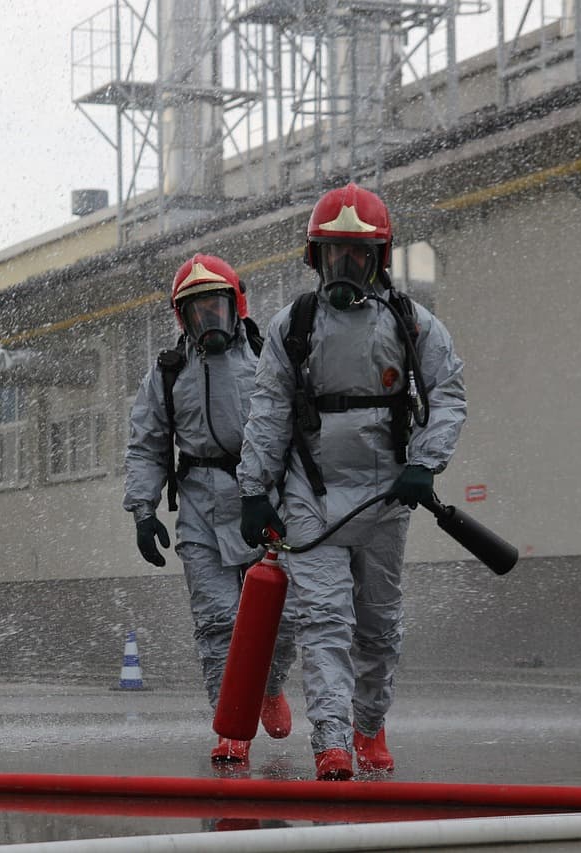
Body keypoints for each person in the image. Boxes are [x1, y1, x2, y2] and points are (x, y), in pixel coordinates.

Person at [237, 183, 466, 781]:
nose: (345, 267)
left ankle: (369, 727)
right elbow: (268, 411)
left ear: (378, 259)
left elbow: (448, 396)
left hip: (387, 498)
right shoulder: (294, 327)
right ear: (316, 259)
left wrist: (425, 462)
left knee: (379, 627)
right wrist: (255, 490)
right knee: (325, 622)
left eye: (356, 255)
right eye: (333, 254)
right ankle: (332, 743)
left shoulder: (413, 324)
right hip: (311, 500)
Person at [124, 252, 298, 766]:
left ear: (235, 304)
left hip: (264, 503)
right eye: (196, 312)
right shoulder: (168, 373)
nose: (208, 321)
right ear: (183, 317)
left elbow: (295, 432)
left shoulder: (269, 358)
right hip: (200, 507)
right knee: (217, 622)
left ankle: (269, 685)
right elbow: (146, 444)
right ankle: (231, 725)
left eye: (215, 308)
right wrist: (143, 509)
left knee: (285, 620)